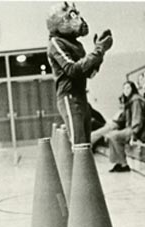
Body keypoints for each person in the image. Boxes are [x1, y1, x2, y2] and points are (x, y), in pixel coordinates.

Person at [46, 2, 113, 144]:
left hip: (82, 96)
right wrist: (98, 51)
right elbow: (72, 69)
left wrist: (100, 54)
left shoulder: (77, 45)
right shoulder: (55, 42)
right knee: (79, 144)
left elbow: (90, 73)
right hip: (68, 97)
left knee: (86, 144)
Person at [107, 81, 145, 172]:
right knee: (110, 135)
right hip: (130, 128)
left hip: (136, 130)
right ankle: (119, 162)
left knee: (114, 136)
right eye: (124, 88)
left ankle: (124, 164)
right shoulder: (129, 101)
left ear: (133, 88)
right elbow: (123, 119)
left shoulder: (136, 100)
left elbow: (137, 120)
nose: (125, 90)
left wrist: (134, 134)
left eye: (128, 88)